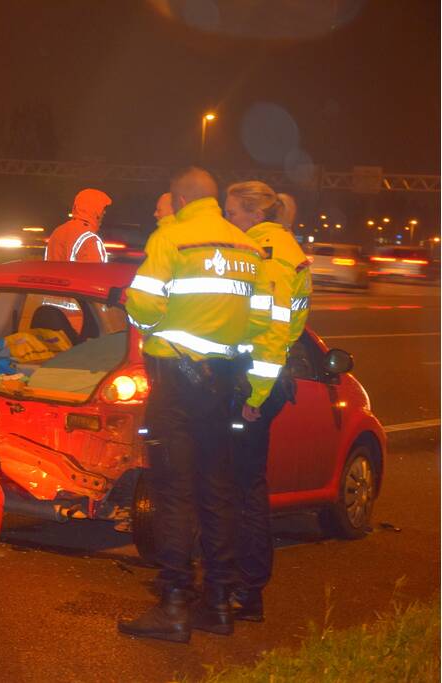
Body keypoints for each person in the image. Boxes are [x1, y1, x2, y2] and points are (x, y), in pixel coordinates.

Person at [118, 167, 272, 644]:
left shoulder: (173, 238)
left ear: (181, 199)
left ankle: (173, 605)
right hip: (222, 383)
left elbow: (143, 305)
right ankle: (219, 604)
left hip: (176, 382)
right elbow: (261, 322)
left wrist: (151, 320)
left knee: (172, 495)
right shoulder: (248, 247)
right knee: (217, 491)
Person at [223, 183, 312, 622]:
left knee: (244, 489)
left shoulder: (269, 254)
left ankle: (246, 590)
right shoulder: (277, 247)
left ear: (254, 214)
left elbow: (274, 330)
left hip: (254, 382)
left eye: (232, 212)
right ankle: (239, 584)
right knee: (242, 484)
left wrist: (254, 395)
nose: (228, 220)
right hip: (261, 378)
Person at [44, 188, 111, 262]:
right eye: (102, 209)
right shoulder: (90, 240)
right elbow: (94, 269)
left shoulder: (57, 232)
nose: (104, 213)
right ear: (96, 211)